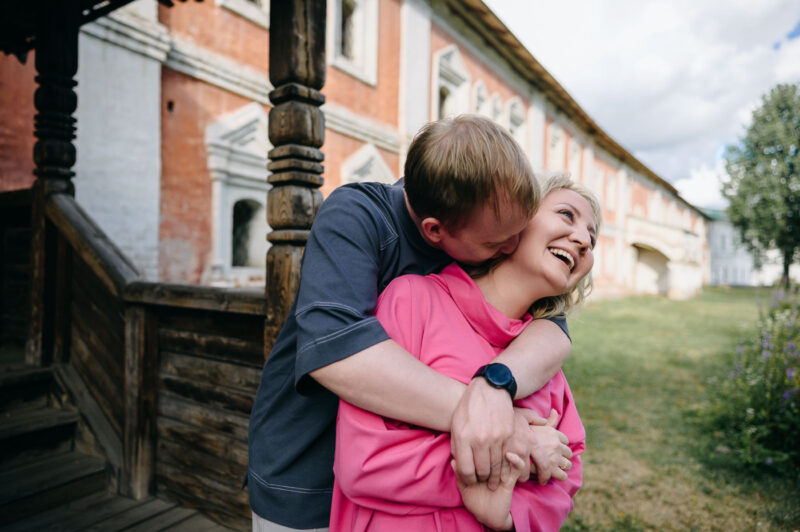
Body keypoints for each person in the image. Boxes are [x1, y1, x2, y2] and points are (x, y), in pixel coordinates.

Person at [248, 115, 574, 531]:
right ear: (434, 231)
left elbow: (552, 327)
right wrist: (497, 422)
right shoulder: (357, 216)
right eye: (497, 244)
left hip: (406, 491)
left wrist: (497, 382)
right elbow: (336, 353)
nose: (512, 249)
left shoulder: (483, 224)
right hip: (306, 475)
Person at [330, 175, 600, 531]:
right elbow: (364, 461)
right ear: (513, 221)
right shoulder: (413, 301)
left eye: (592, 238)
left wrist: (506, 517)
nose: (582, 240)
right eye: (567, 215)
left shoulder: (546, 359)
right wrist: (513, 462)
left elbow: (566, 476)